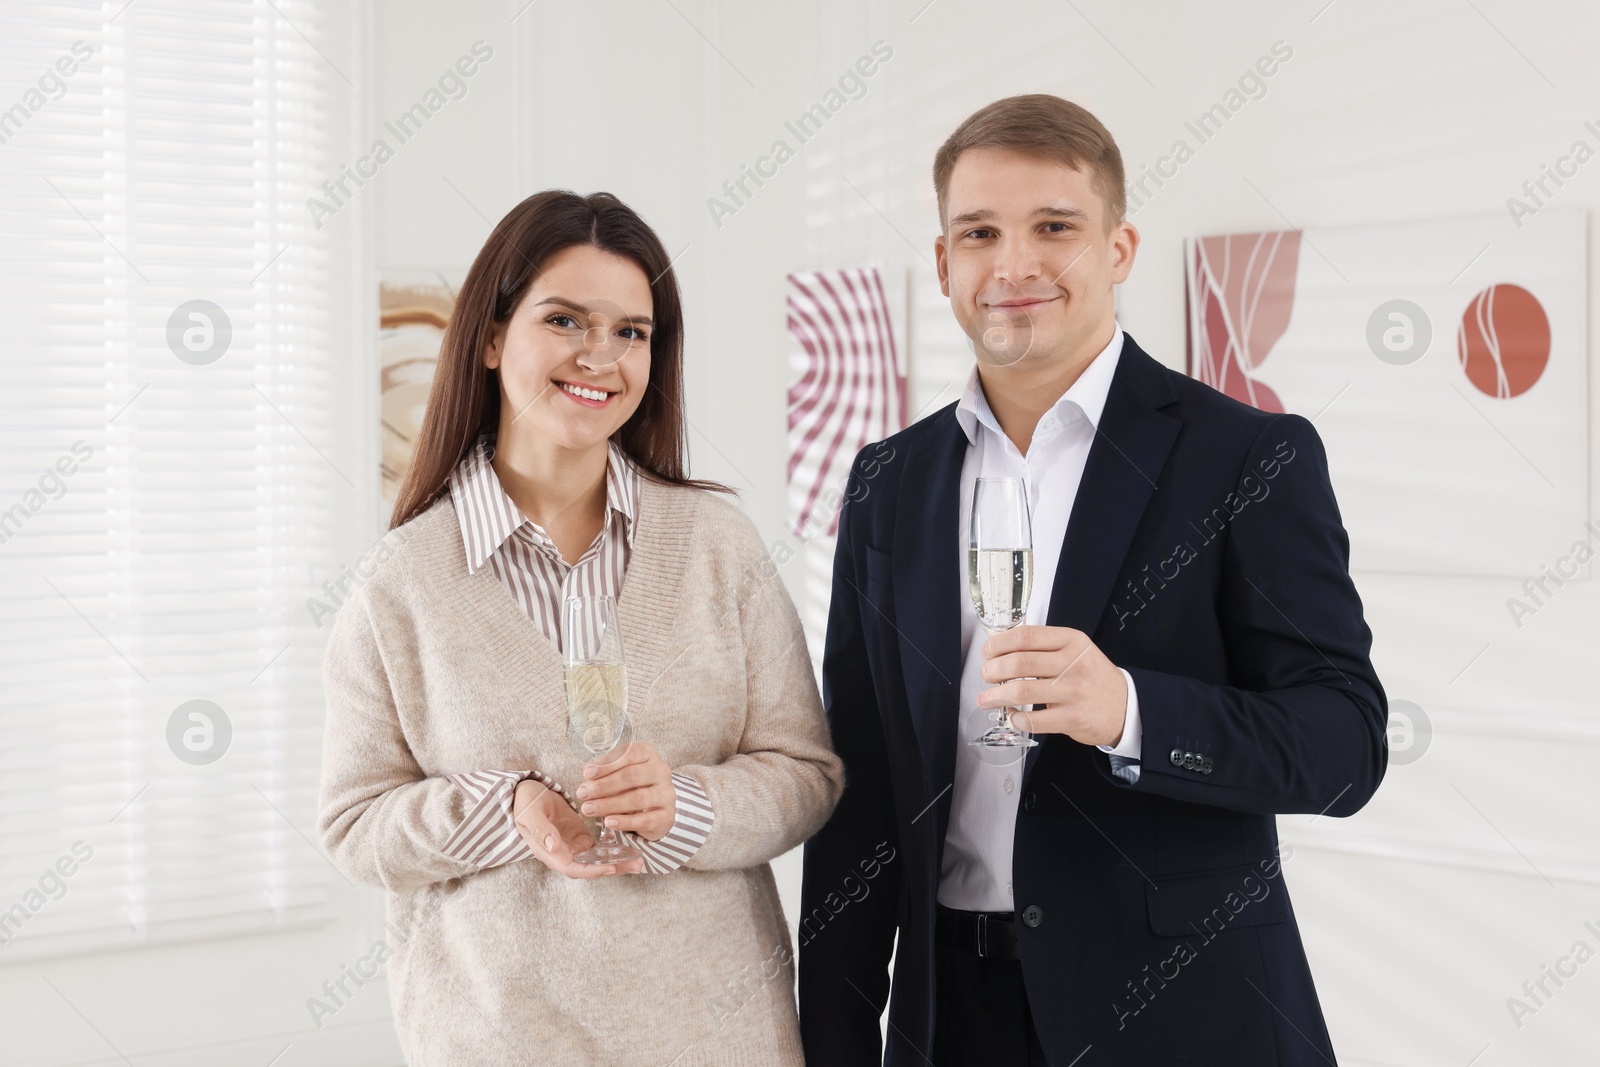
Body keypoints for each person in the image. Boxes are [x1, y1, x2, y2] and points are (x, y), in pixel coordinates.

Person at [799, 94, 1387, 1066]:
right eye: (979, 231)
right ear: (944, 263)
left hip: (1182, 1019)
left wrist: (1127, 709)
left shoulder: (1246, 457)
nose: (1015, 263)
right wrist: (832, 1039)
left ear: (1118, 248)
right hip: (951, 1018)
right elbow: (857, 787)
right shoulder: (887, 481)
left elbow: (1343, 746)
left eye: (1054, 227)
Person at [318, 189, 842, 1066]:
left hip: (720, 1040)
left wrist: (689, 805)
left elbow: (807, 776)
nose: (601, 355)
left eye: (632, 331)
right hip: (496, 1040)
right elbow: (353, 825)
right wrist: (505, 807)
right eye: (565, 320)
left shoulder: (717, 545)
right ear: (490, 338)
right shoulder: (400, 583)